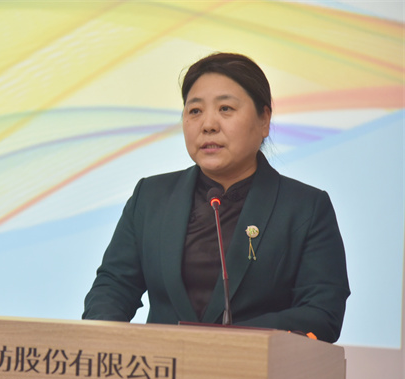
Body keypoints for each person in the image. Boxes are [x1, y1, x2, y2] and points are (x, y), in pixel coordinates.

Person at [82, 52, 350, 344]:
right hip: (161, 366)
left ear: (264, 120)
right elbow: (113, 288)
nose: (208, 124)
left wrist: (225, 341)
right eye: (195, 111)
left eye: (225, 108)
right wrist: (102, 343)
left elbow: (322, 313)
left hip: (255, 368)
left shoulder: (305, 208)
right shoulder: (151, 197)